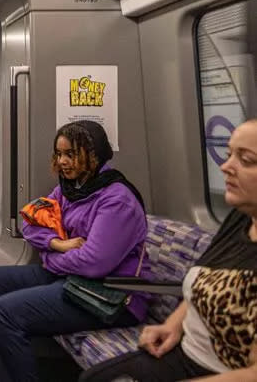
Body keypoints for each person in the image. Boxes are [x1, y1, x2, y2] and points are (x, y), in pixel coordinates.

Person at [0, 121, 149, 382]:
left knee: (5, 312)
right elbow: (30, 222)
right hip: (74, 278)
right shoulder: (70, 189)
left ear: (93, 154)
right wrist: (56, 244)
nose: (63, 161)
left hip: (111, 294)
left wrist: (50, 258)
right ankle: (1, 368)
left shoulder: (116, 199)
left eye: (71, 154)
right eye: (59, 154)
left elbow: (93, 263)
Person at [80, 119, 257, 382]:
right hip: (185, 352)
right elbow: (206, 280)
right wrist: (172, 324)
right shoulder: (240, 219)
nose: (225, 166)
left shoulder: (116, 195)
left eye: (247, 160)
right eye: (229, 154)